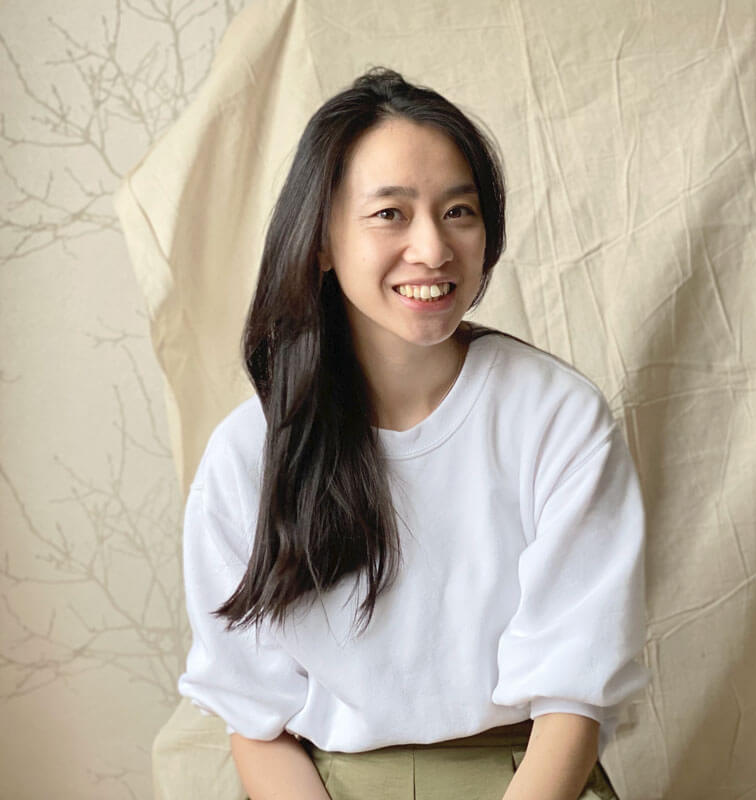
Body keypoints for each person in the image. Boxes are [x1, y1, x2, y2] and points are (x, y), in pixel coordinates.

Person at [178, 67, 650, 800]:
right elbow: (254, 717)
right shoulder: (249, 453)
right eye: (390, 214)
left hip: (527, 780)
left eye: (458, 211)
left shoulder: (557, 416)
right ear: (323, 239)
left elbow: (572, 701)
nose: (432, 249)